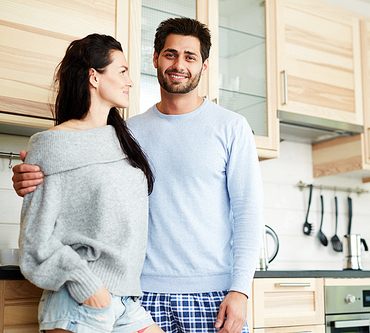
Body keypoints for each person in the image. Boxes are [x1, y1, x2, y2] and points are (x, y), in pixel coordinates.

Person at [13, 18, 264, 333]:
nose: (179, 64)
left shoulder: (232, 127)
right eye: (171, 54)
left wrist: (240, 289)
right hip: (141, 294)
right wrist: (31, 178)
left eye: (190, 57)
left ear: (205, 65)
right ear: (156, 58)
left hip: (212, 294)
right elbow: (72, 173)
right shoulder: (126, 133)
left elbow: (248, 213)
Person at [18, 33, 164, 333]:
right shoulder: (53, 145)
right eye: (122, 71)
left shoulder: (122, 141)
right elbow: (36, 240)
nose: (130, 81)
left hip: (124, 301)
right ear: (93, 77)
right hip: (81, 299)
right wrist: (87, 286)